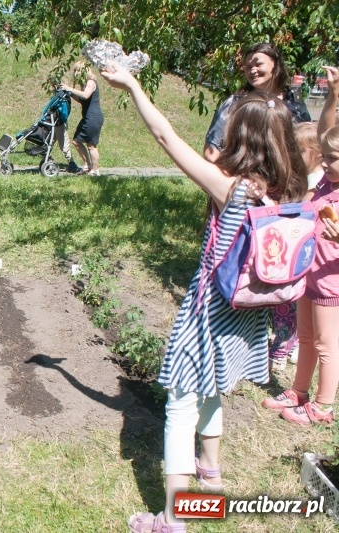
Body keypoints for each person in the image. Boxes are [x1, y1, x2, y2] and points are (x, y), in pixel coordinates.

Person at [100, 62, 307, 532]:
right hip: (250, 313)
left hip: (210, 312)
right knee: (214, 387)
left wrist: (132, 84)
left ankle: (173, 518)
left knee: (180, 403)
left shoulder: (232, 189)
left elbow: (166, 139)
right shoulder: (289, 189)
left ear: (243, 138)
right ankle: (210, 471)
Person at [205, 43, 311, 372]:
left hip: (282, 201)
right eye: (248, 64)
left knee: (281, 267)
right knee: (239, 267)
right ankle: (233, 333)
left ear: (276, 65)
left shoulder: (293, 105)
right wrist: (233, 190)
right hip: (243, 198)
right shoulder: (235, 103)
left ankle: (282, 337)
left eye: (259, 63)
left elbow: (308, 146)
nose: (253, 69)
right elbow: (212, 150)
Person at [262, 65, 339, 426]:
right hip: (311, 273)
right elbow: (325, 132)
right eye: (328, 157)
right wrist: (334, 95)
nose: (329, 162)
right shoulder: (325, 185)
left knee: (326, 344)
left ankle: (323, 406)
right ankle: (299, 392)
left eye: (335, 159)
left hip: (331, 283)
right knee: (306, 336)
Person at [268, 122, 325, 369]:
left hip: (303, 251)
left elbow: (302, 208)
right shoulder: (303, 175)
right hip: (295, 247)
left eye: (300, 151)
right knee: (290, 301)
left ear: (316, 152)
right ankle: (292, 341)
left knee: (288, 301)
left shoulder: (318, 182)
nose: (294, 156)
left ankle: (283, 346)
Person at [60, 62, 104, 175]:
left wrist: (70, 88)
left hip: (93, 117)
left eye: (77, 70)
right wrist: (69, 93)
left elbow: (85, 95)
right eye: (75, 71)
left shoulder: (90, 82)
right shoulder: (85, 84)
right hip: (88, 117)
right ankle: (87, 165)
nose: (75, 73)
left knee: (91, 145)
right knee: (76, 141)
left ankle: (95, 170)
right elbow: (81, 100)